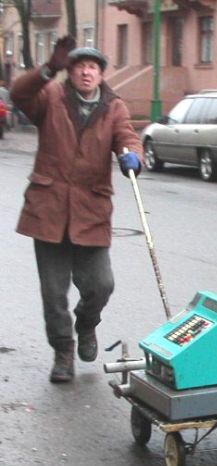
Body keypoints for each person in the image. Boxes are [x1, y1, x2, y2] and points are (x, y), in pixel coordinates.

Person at [10, 36, 143, 383]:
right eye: (80, 66)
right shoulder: (51, 97)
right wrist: (47, 69)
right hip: (48, 210)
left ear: (101, 74)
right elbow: (19, 94)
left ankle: (86, 324)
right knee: (54, 293)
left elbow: (127, 136)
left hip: (91, 212)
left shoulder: (114, 107)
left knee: (101, 285)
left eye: (93, 67)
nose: (86, 72)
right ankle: (63, 352)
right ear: (70, 72)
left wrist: (132, 155)